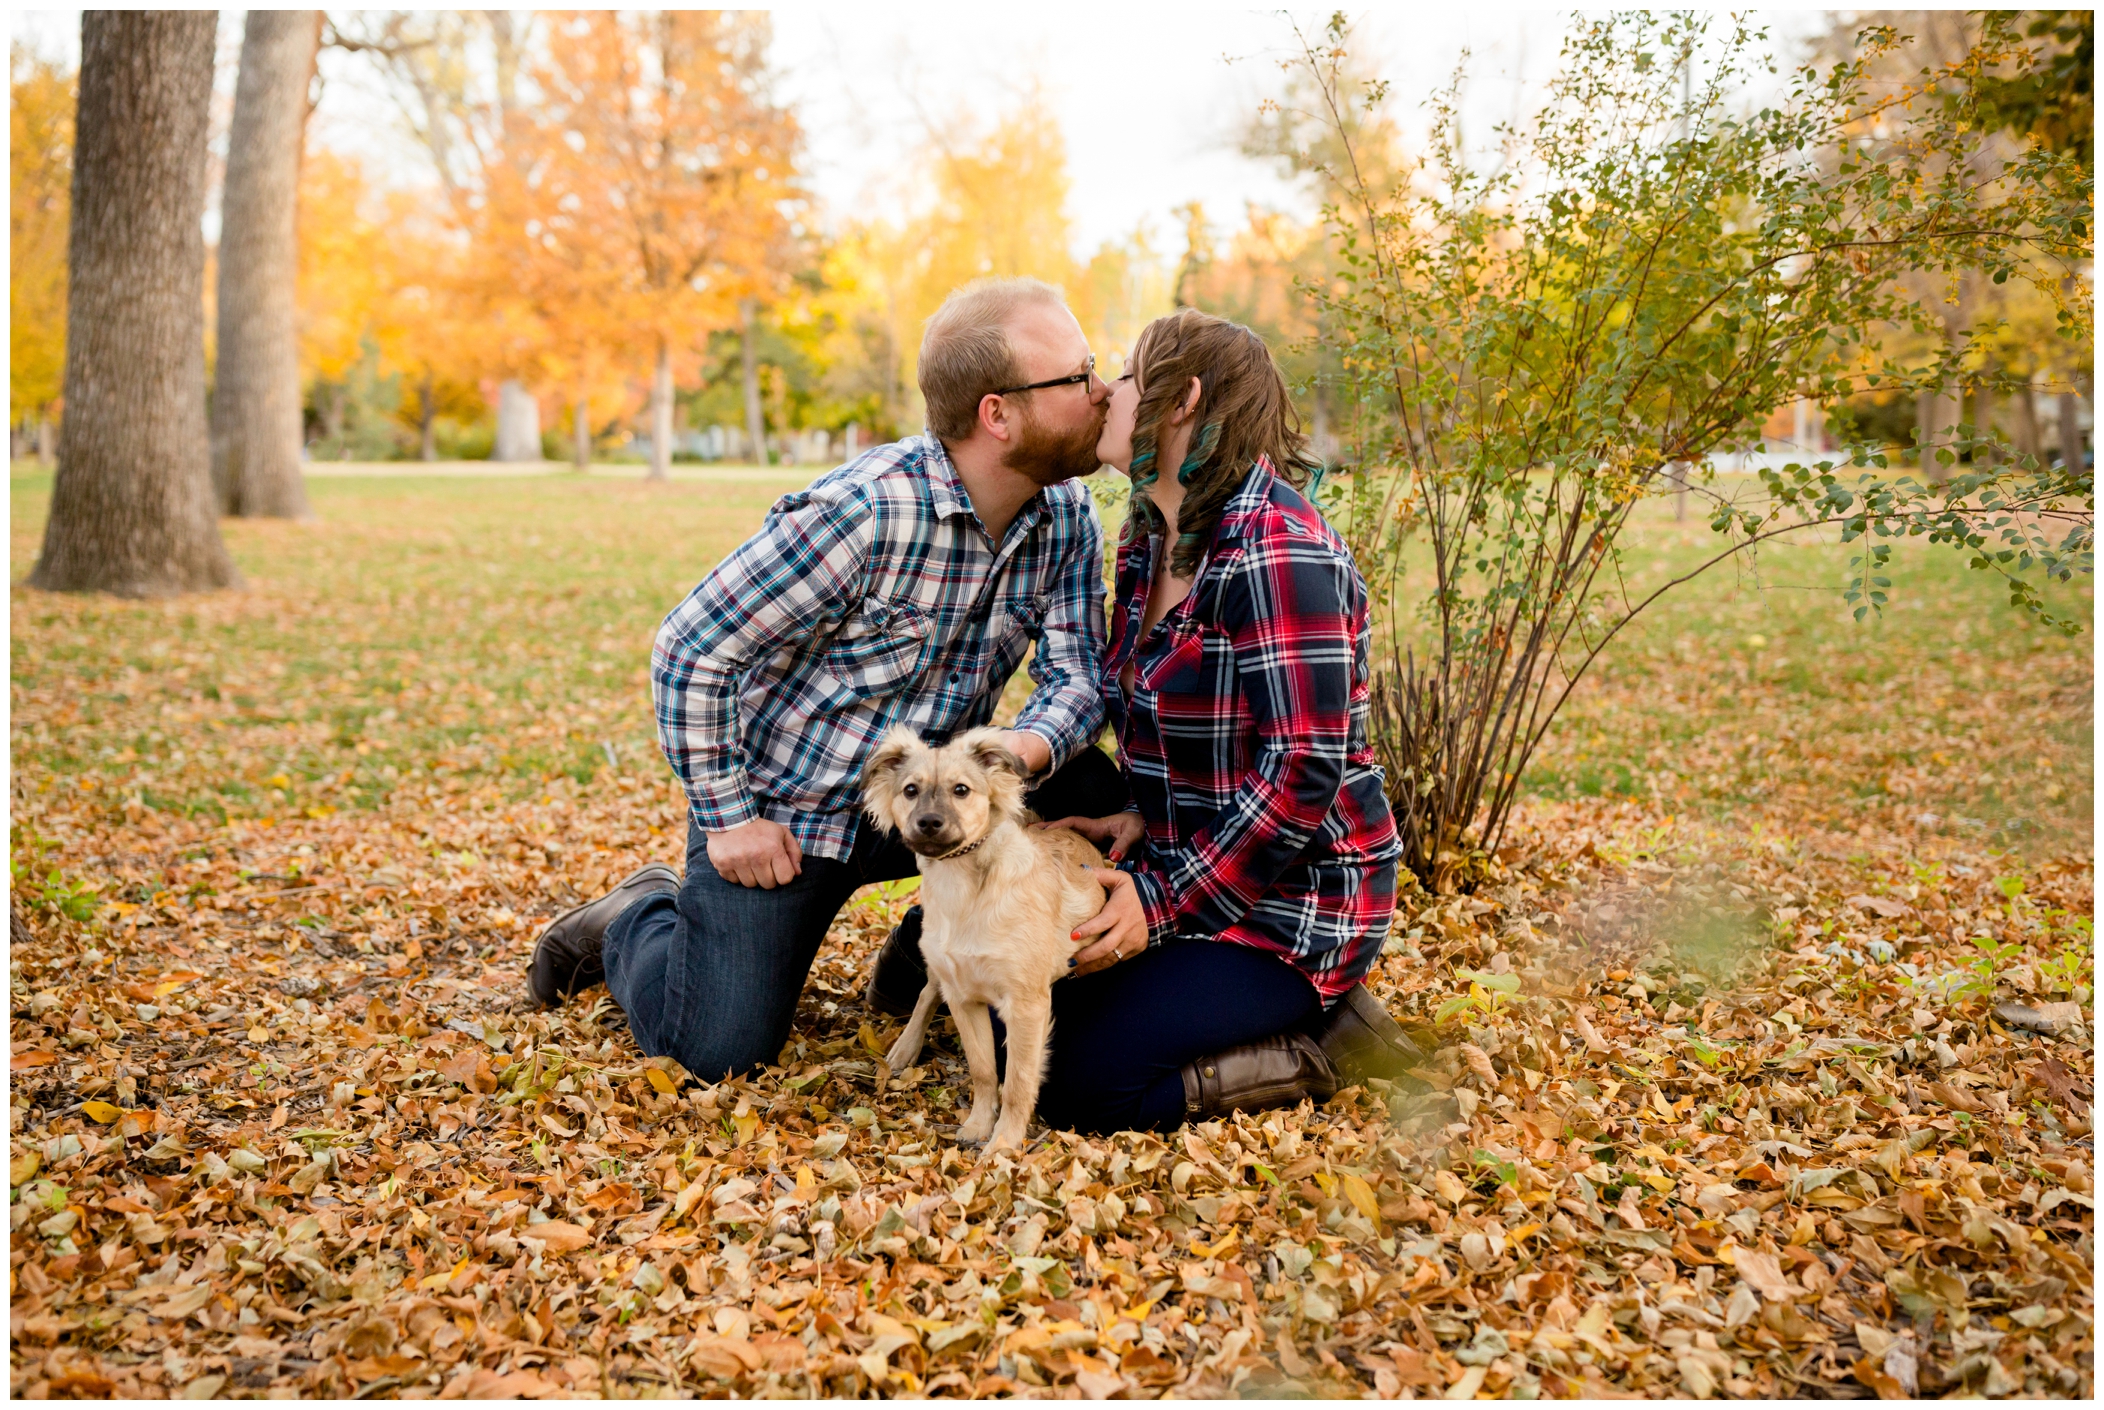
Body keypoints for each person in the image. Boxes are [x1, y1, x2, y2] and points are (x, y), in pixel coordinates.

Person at [527, 277, 1130, 1079]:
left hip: (930, 803)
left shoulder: (1066, 515)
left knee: (1092, 790)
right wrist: (729, 818)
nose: (1102, 392)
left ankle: (926, 959)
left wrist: (1023, 750)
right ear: (998, 414)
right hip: (789, 820)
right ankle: (635, 914)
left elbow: (1079, 672)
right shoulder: (867, 511)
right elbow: (690, 647)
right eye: (1078, 375)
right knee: (714, 1053)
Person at [872, 307, 1421, 1132]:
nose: (1102, 392)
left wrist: (1157, 904)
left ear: (1182, 400)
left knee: (1073, 1082)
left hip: (1289, 904)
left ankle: (1324, 1040)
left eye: (1123, 377)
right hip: (1183, 850)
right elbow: (1159, 724)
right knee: (938, 983)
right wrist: (1139, 815)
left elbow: (1304, 773)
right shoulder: (1146, 538)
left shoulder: (1277, 551)